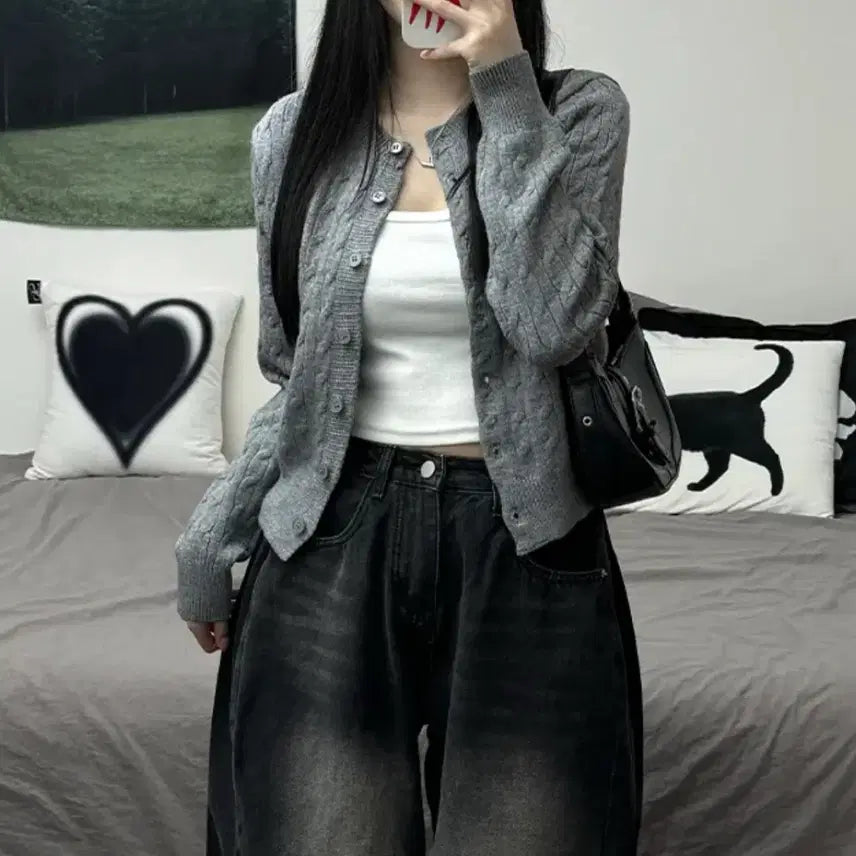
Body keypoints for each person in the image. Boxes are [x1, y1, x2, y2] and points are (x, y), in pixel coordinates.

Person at [176, 0, 642, 853]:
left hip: (529, 545)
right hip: (329, 536)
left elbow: (551, 323)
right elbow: (297, 377)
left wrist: (503, 81)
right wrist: (214, 532)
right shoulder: (292, 134)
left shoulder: (578, 110)